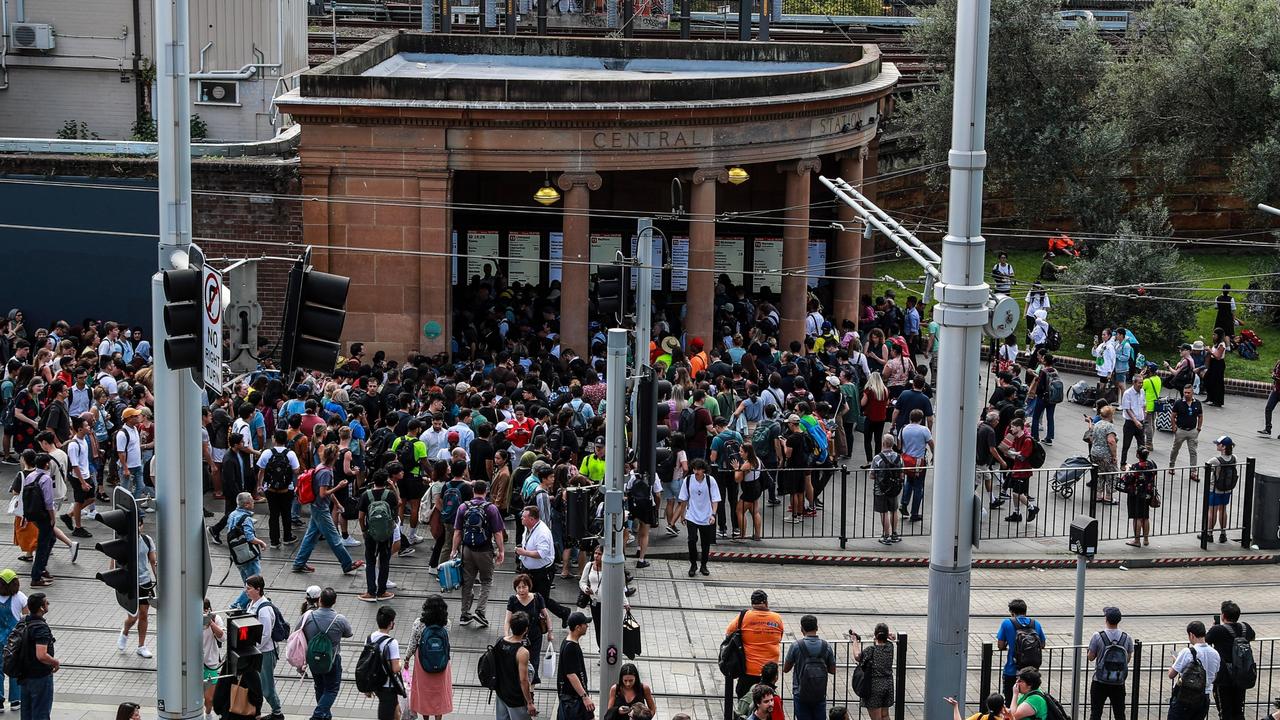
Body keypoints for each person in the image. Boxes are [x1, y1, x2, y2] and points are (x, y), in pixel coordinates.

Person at [292, 444, 366, 575]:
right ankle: (347, 564)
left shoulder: (322, 467)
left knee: (310, 537)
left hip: (317, 506)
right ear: (335, 457)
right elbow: (323, 493)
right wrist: (339, 486)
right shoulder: (326, 472)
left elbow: (326, 492)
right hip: (321, 509)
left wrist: (337, 504)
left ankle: (299, 563)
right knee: (334, 538)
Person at [455, 480, 507, 629]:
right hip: (484, 550)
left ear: (473, 491)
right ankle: (480, 611)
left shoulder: (463, 507)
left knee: (467, 583)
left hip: (467, 550)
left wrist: (454, 550)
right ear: (486, 491)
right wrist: (501, 551)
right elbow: (498, 533)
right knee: (486, 581)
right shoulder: (491, 509)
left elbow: (457, 531)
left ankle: (464, 614)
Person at [301, 587, 354, 720]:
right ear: (334, 601)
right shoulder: (339, 619)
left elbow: (298, 631)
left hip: (313, 659)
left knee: (319, 687)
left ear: (319, 600)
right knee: (331, 689)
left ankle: (325, 715)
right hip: (332, 659)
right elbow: (349, 633)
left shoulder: (308, 616)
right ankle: (318, 715)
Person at [725, 590, 784, 698]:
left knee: (744, 701)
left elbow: (729, 633)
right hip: (769, 672)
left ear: (752, 603)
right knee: (766, 702)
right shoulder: (776, 618)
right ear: (766, 602)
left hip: (747, 669)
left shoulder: (744, 616)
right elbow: (780, 637)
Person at [115, 515, 158, 658]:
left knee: (144, 614)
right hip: (129, 582)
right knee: (133, 617)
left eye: (140, 525)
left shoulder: (147, 540)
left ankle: (141, 646)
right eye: (135, 525)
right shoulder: (124, 541)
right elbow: (115, 560)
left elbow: (153, 561)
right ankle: (125, 631)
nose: (138, 528)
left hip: (145, 582)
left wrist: (159, 580)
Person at [1205, 600, 1256, 720]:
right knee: (1238, 710)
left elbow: (1207, 640)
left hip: (1224, 676)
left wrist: (1214, 627)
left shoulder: (1218, 630)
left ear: (1223, 616)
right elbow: (1252, 636)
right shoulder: (1245, 627)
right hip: (1242, 674)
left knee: (1225, 711)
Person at [407, 594, 454, 720]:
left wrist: (407, 658)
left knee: (424, 692)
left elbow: (413, 643)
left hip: (422, 661)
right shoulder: (447, 623)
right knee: (439, 692)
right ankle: (438, 718)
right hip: (441, 661)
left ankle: (425, 718)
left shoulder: (419, 623)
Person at [244, 575, 284, 720]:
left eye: (248, 588)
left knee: (266, 686)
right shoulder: (252, 604)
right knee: (257, 684)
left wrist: (252, 648)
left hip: (265, 652)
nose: (246, 591)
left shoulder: (264, 610)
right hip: (257, 651)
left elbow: (265, 634)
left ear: (258, 589)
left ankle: (277, 713)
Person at [357, 469, 401, 601]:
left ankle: (370, 592)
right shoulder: (390, 495)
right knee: (384, 561)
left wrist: (364, 531)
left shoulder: (366, 495)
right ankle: (382, 591)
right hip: (387, 532)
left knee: (370, 561)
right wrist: (393, 487)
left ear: (374, 481)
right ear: (386, 481)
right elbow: (399, 503)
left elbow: (360, 517)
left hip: (371, 532)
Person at [783, 615, 837, 720]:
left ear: (802, 629)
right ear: (817, 628)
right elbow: (832, 670)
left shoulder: (796, 646)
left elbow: (785, 669)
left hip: (800, 692)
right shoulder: (826, 646)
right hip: (819, 692)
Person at [995, 599, 1045, 706]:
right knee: (1030, 702)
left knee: (1010, 701)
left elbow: (1000, 645)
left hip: (1012, 670)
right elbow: (1042, 644)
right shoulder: (1035, 623)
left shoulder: (1007, 623)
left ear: (1012, 612)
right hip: (1031, 672)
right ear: (1025, 612)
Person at [223, 493, 268, 610]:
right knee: (253, 584)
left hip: (238, 557)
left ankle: (248, 604)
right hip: (249, 557)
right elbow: (250, 538)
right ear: (247, 504)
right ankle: (236, 606)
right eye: (252, 501)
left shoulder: (232, 515)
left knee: (247, 584)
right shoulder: (246, 519)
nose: (254, 502)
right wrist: (261, 542)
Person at [1086, 606, 1133, 720]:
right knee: (1119, 714)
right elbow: (1128, 659)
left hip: (1100, 681)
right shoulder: (1126, 637)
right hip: (1118, 681)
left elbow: (1091, 657)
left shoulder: (1098, 636)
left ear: (1106, 619)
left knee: (1096, 713)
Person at [506, 573, 553, 685]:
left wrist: (550, 632)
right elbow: (507, 620)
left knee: (534, 661)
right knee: (518, 661)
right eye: (519, 587)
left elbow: (546, 616)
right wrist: (506, 636)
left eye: (524, 587)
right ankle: (520, 683)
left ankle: (531, 687)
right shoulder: (513, 600)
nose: (521, 590)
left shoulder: (537, 598)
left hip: (535, 635)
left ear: (529, 586)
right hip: (518, 636)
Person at [1167, 621, 1220, 720]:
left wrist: (1175, 663)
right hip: (1204, 697)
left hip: (1185, 697)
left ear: (1191, 635)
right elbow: (1214, 676)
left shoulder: (1188, 652)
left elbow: (1171, 674)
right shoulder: (1215, 653)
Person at [676, 458, 720, 578]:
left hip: (706, 516)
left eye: (699, 469)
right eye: (695, 469)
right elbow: (684, 498)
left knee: (705, 542)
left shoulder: (710, 481)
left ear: (704, 470)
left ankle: (704, 565)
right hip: (692, 515)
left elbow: (715, 499)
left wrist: (713, 514)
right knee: (691, 540)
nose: (696, 471)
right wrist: (682, 514)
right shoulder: (688, 480)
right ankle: (693, 564)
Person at [257, 429, 300, 548]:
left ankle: (274, 541)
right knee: (286, 513)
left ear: (274, 439)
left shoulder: (267, 453)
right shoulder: (290, 454)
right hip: (287, 489)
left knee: (273, 514)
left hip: (270, 490)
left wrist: (259, 485)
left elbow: (261, 470)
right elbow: (296, 470)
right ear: (286, 440)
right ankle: (287, 537)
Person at [20, 453, 57, 588]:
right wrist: (53, 518)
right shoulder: (46, 479)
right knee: (43, 545)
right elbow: (48, 502)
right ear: (47, 464)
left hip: (33, 514)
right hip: (44, 516)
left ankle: (41, 567)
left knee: (51, 538)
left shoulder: (30, 476)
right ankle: (36, 576)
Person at [17, 593, 56, 720]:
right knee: (41, 713)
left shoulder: (24, 622)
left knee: (26, 712)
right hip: (39, 676)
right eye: (46, 602)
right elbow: (41, 655)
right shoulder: (40, 627)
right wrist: (55, 662)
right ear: (41, 608)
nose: (48, 604)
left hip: (24, 675)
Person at [494, 611, 537, 720]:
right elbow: (523, 680)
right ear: (526, 629)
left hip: (501, 694)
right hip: (516, 699)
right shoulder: (522, 652)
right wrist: (529, 702)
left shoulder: (500, 641)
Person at [364, 606, 404, 720]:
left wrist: (368, 686)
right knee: (386, 714)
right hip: (387, 685)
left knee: (396, 710)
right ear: (391, 623)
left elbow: (367, 663)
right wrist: (400, 663)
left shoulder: (369, 639)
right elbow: (395, 668)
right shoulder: (392, 642)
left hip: (375, 682)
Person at [851, 624, 895, 720]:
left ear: (875, 634)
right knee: (885, 715)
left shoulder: (870, 650)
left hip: (874, 687)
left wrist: (855, 641)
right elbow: (886, 640)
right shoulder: (890, 647)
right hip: (888, 685)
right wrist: (887, 635)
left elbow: (857, 656)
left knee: (876, 718)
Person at [998, 418, 1038, 524]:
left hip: (1023, 471)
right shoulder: (1016, 438)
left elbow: (1023, 457)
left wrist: (1011, 453)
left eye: (1013, 427)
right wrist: (1011, 452)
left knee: (1017, 493)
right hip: (1016, 469)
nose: (1011, 429)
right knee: (1015, 493)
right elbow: (1015, 452)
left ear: (1019, 427)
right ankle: (1017, 513)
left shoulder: (1027, 440)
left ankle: (1031, 508)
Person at [556, 612, 594, 720]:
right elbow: (571, 674)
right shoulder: (571, 647)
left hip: (574, 697)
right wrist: (584, 697)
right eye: (585, 624)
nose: (587, 626)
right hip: (574, 699)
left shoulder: (568, 642)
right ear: (578, 627)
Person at [898, 408, 933, 523]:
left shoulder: (903, 428)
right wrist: (934, 454)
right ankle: (914, 513)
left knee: (909, 481)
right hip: (918, 461)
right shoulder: (924, 430)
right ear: (921, 419)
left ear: (910, 417)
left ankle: (904, 503)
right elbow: (931, 444)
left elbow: (899, 446)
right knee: (918, 487)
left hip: (906, 461)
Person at [0, 569, 27, 713]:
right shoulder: (20, 597)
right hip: (14, 641)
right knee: (15, 668)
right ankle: (15, 700)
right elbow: (27, 617)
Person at [1203, 436, 1238, 544]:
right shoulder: (1234, 458)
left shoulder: (1215, 460)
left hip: (1215, 489)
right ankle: (1223, 534)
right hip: (1227, 489)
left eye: (1218, 444)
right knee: (1223, 510)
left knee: (1212, 511)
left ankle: (1209, 534)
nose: (1216, 445)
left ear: (1223, 447)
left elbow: (1206, 467)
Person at [870, 434, 903, 544]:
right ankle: (894, 534)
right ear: (892, 444)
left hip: (881, 489)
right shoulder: (899, 457)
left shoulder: (877, 458)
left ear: (883, 444)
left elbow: (872, 475)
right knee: (894, 511)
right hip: (894, 489)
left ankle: (886, 536)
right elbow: (901, 474)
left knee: (884, 513)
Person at [1123, 448, 1157, 547]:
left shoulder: (1136, 466)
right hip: (1148, 493)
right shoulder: (1152, 464)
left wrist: (1128, 469)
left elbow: (1127, 479)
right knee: (1145, 517)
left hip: (1136, 494)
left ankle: (1137, 540)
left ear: (1138, 455)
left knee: (1137, 517)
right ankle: (1146, 539)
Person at [1170, 385, 1203, 480]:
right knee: (1175, 449)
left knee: (1193, 452)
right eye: (1185, 392)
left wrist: (1199, 428)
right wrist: (1174, 427)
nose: (1186, 394)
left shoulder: (1197, 403)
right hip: (1181, 430)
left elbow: (1200, 416)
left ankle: (1193, 472)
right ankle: (1171, 466)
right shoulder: (1178, 403)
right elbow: (1173, 415)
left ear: (1192, 392)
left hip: (1192, 431)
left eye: (1188, 392)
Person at [1088, 406, 1120, 504]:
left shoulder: (1097, 424)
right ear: (1110, 415)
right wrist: (1114, 456)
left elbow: (1091, 438)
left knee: (1099, 474)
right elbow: (1111, 441)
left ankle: (1098, 495)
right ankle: (1108, 497)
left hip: (1094, 453)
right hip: (1105, 454)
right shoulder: (1109, 426)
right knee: (1110, 474)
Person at [860, 373, 891, 466]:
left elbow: (862, 403)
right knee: (878, 440)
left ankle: (869, 460)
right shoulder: (885, 390)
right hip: (881, 418)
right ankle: (877, 460)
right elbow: (887, 403)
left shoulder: (869, 390)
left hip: (870, 417)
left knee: (867, 439)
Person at [201, 598, 224, 720]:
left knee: (209, 698)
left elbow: (222, 637)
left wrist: (210, 622)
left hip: (211, 662)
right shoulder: (189, 618)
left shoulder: (216, 618)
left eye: (205, 610)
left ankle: (208, 714)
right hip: (193, 663)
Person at [1204, 328, 1228, 408]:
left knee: (1217, 382)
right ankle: (1210, 397)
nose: (1213, 336)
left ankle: (1217, 401)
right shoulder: (1216, 344)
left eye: (1215, 334)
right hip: (1213, 363)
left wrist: (1210, 351)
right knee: (1207, 378)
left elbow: (1218, 356)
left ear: (1219, 335)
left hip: (1218, 364)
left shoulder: (1222, 344)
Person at [1260, 356, 1280, 438]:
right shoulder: (1279, 362)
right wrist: (1274, 376)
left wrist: (1277, 378)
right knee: (1268, 408)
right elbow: (1274, 371)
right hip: (1276, 390)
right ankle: (1268, 428)